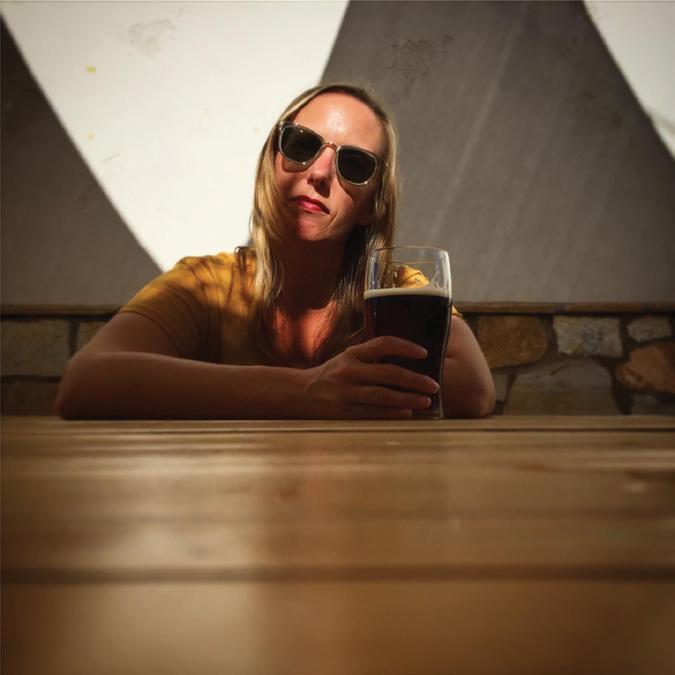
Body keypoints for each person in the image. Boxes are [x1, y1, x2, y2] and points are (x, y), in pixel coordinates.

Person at [56, 83, 495, 419]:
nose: (320, 173)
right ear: (271, 162)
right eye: (302, 145)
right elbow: (84, 382)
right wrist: (305, 391)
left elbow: (475, 391)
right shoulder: (207, 285)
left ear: (370, 208)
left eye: (354, 165)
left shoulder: (395, 289)